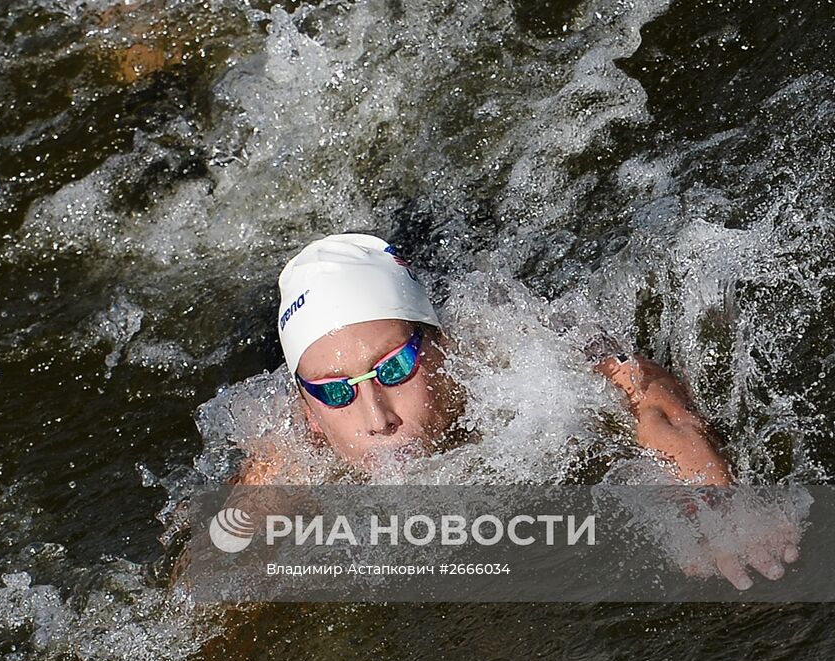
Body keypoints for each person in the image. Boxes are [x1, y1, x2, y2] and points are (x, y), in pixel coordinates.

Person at [247, 232, 798, 589]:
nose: (376, 417)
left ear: (441, 345)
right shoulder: (289, 455)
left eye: (394, 369)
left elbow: (641, 390)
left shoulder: (509, 351)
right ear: (309, 409)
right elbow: (218, 561)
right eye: (337, 392)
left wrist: (713, 498)